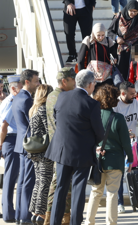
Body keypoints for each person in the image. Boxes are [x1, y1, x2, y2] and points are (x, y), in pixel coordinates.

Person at [44, 70, 104, 225]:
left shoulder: (62, 96)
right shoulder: (92, 104)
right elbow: (99, 131)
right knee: (78, 190)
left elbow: (57, 118)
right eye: (94, 84)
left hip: (62, 150)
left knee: (60, 188)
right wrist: (96, 142)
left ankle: (54, 222)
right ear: (90, 84)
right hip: (82, 152)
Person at [85, 84, 134, 225]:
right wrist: (130, 159)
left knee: (95, 192)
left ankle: (89, 222)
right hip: (115, 160)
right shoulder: (118, 118)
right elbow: (125, 143)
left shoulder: (92, 116)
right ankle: (111, 223)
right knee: (112, 194)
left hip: (97, 160)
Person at [44, 68, 76, 225]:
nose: (75, 83)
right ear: (65, 81)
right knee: (61, 183)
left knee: (60, 182)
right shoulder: (63, 97)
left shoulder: (51, 96)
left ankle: (55, 216)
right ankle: (59, 217)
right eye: (73, 79)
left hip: (56, 144)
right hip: (64, 145)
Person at [112, 81, 138, 213]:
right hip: (119, 145)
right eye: (132, 93)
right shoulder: (114, 105)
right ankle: (119, 203)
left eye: (135, 93)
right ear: (122, 93)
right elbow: (112, 126)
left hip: (133, 143)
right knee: (119, 175)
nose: (135, 95)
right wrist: (124, 133)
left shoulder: (135, 102)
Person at [12, 69, 40, 225]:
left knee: (23, 182)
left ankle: (19, 216)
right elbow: (33, 124)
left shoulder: (18, 97)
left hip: (21, 144)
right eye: (36, 81)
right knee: (28, 182)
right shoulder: (27, 100)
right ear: (27, 82)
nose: (38, 84)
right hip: (29, 145)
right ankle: (25, 217)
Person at [28, 84, 54, 225]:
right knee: (45, 182)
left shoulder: (34, 109)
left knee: (39, 181)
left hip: (35, 151)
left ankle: (35, 212)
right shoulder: (44, 110)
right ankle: (41, 214)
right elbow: (50, 130)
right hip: (45, 151)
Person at [0, 75, 23, 223]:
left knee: (12, 177)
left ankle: (10, 211)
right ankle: (8, 214)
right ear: (14, 87)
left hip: (12, 140)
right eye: (21, 86)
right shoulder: (11, 101)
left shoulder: (11, 99)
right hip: (11, 140)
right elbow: (4, 125)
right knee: (10, 178)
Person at [77, 23, 118, 92]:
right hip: (93, 73)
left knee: (108, 94)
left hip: (106, 74)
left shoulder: (108, 41)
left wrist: (115, 59)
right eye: (98, 35)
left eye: (103, 35)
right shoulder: (89, 40)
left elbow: (114, 54)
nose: (101, 37)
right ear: (94, 33)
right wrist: (82, 74)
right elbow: (81, 58)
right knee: (95, 95)